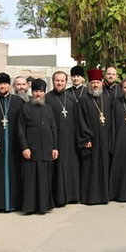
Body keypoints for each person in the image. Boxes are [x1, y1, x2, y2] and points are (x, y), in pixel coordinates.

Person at [17, 79, 58, 214]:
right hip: (31, 150)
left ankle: (44, 206)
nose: (38, 94)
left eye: (41, 91)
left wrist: (55, 147)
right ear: (32, 92)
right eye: (35, 91)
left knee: (44, 179)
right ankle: (30, 207)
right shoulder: (25, 108)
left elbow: (53, 129)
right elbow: (20, 130)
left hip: (46, 149)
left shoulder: (48, 108)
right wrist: (24, 148)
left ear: (44, 92)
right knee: (30, 180)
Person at [0, 72, 24, 212]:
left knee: (14, 172)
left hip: (14, 143)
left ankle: (14, 203)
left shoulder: (18, 101)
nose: (2, 86)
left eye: (5, 83)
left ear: (9, 85)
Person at [76, 69, 113, 205]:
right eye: (93, 83)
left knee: (103, 167)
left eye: (97, 82)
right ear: (89, 84)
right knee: (90, 168)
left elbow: (111, 120)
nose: (95, 85)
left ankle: (104, 196)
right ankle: (89, 197)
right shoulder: (84, 100)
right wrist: (86, 139)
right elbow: (81, 121)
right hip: (91, 141)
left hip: (104, 140)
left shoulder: (106, 99)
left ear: (102, 83)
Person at [45, 71, 80, 207]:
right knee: (57, 169)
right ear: (53, 82)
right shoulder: (47, 98)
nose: (59, 83)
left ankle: (72, 196)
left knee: (71, 167)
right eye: (57, 81)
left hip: (70, 140)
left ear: (66, 82)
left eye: (62, 81)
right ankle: (58, 198)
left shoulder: (71, 98)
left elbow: (77, 120)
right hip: (55, 140)